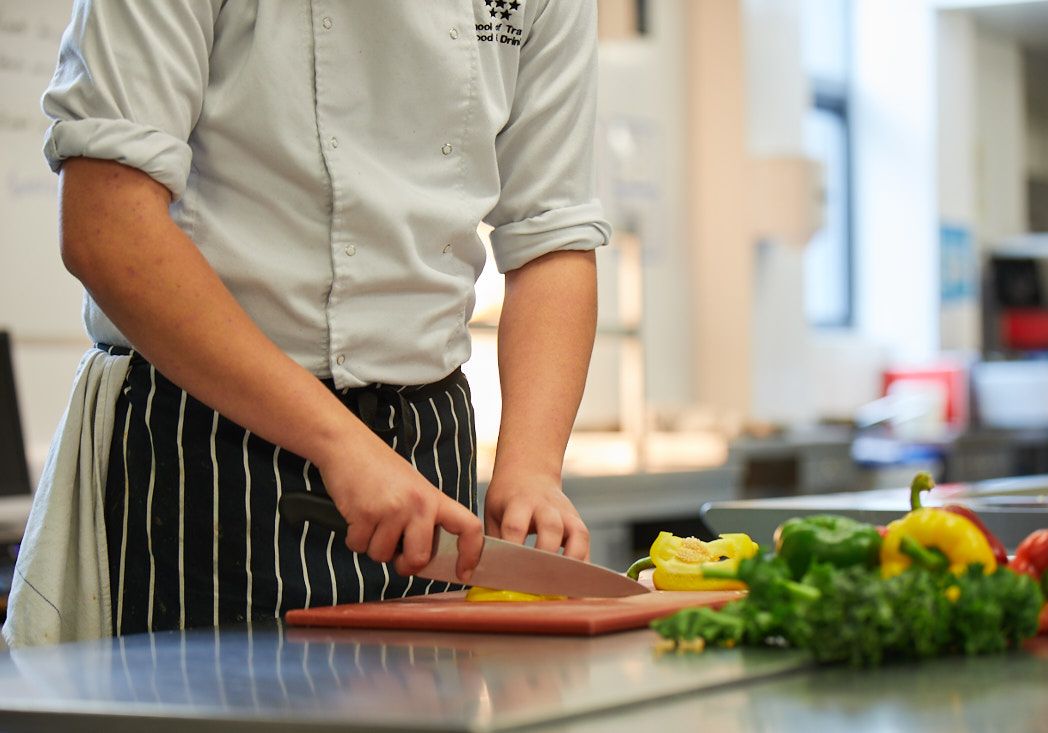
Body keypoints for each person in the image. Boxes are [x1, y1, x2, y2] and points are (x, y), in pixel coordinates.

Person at [4, 0, 609, 642]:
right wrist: (342, 446)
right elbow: (108, 230)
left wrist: (532, 468)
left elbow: (551, 234)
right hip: (202, 441)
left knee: (429, 692)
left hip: (428, 452)